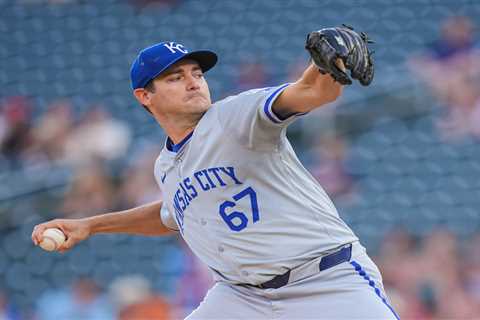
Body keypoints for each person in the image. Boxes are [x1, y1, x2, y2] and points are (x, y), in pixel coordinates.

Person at [32, 26, 398, 319]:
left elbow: (313, 92)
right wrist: (90, 225)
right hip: (242, 299)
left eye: (196, 73)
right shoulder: (166, 165)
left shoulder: (235, 116)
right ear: (145, 96)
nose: (193, 81)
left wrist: (326, 65)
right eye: (175, 77)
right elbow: (170, 215)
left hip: (325, 280)